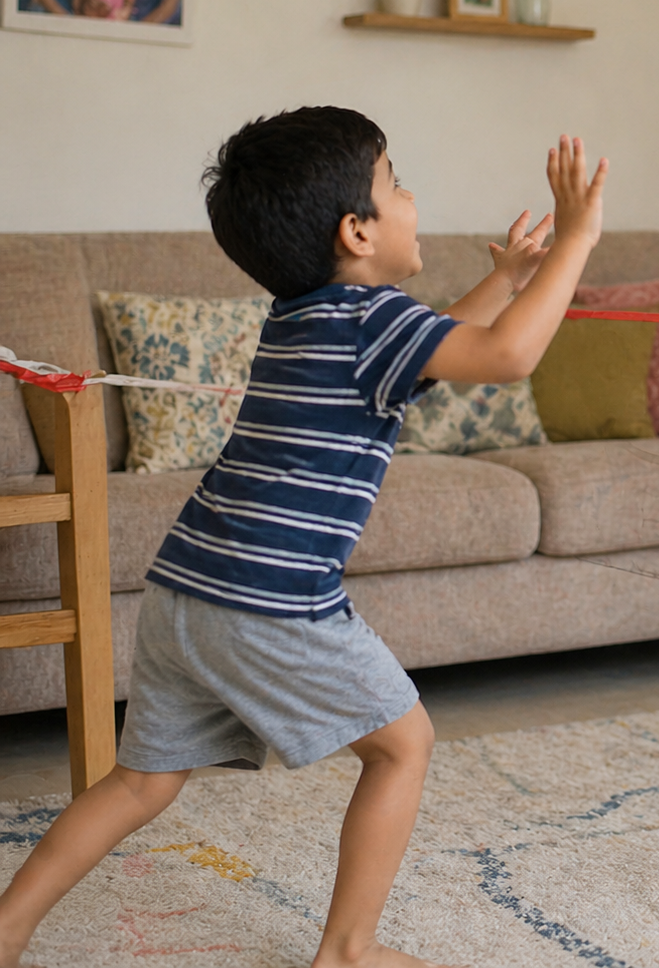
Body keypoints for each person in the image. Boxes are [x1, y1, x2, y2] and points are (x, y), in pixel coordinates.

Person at [0, 107, 607, 968]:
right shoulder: (373, 321)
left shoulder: (304, 317)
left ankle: (6, 928)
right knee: (404, 747)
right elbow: (504, 357)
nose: (411, 195)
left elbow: (443, 350)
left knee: (140, 783)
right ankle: (349, 952)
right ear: (358, 231)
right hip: (270, 602)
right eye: (396, 181)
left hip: (184, 585)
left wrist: (506, 280)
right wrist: (577, 240)